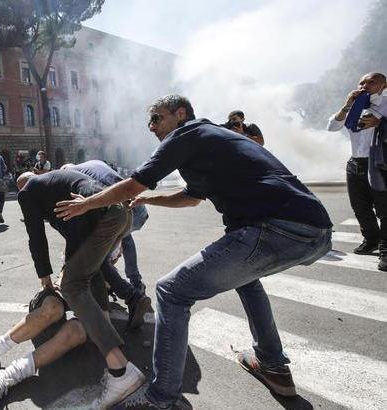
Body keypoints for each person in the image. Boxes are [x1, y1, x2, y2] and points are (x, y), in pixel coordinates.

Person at [54, 95, 333, 409]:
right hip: (313, 228)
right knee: (246, 279)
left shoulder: (187, 134)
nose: (151, 126)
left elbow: (134, 184)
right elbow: (191, 197)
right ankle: (273, 365)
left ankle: (161, 400)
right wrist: (149, 201)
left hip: (274, 226)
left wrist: (87, 203)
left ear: (180, 113)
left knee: (171, 290)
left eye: (157, 118)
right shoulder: (208, 141)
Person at [17, 169, 146, 410]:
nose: (20, 191)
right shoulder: (53, 186)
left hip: (106, 214)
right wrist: (71, 263)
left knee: (72, 286)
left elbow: (36, 236)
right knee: (90, 270)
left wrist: (45, 276)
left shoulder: (28, 193)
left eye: (20, 187)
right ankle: (104, 333)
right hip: (121, 213)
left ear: (24, 184)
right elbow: (76, 239)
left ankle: (119, 370)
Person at [0, 287, 88, 409]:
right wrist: (48, 279)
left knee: (77, 331)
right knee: (52, 307)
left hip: (81, 310)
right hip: (56, 299)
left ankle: (5, 376)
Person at [327, 72, 387, 270]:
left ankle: (385, 251)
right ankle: (371, 239)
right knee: (360, 207)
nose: (365, 84)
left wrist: (382, 123)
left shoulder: (385, 103)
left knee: (384, 209)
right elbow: (332, 127)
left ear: (383, 85)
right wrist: (347, 105)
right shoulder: (355, 106)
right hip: (355, 162)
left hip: (379, 163)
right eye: (362, 81)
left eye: (372, 81)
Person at [63, 160, 150, 292]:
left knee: (101, 251)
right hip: (139, 208)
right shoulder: (94, 163)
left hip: (123, 210)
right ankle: (136, 282)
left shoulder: (72, 176)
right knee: (125, 237)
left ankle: (118, 288)